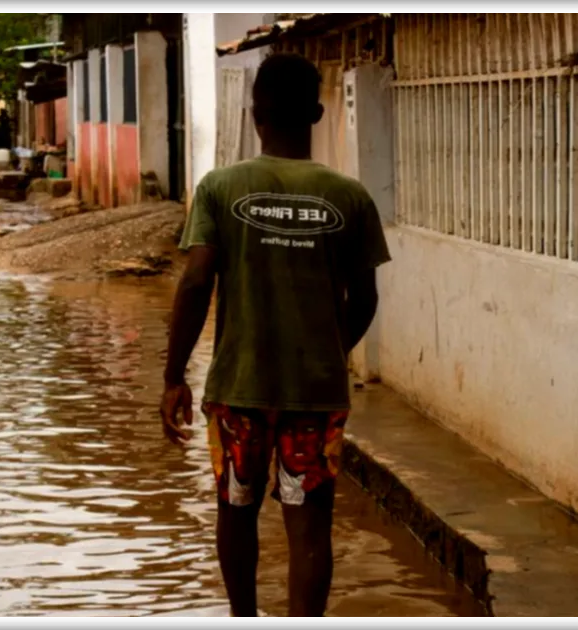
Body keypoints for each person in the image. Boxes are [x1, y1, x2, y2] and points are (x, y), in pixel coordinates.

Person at [159, 53, 391, 618]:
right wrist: (330, 355)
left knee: (236, 510)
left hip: (239, 388)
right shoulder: (350, 197)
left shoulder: (219, 187)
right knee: (309, 524)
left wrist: (173, 377)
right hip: (316, 395)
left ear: (254, 110)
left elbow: (194, 284)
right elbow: (365, 301)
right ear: (315, 111)